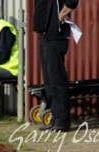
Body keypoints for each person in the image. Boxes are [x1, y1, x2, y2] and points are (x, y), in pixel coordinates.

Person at [33, 0, 79, 132]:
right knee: (49, 82)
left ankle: (62, 121)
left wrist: (60, 16)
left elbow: (73, 1)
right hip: (44, 36)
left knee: (57, 80)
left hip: (55, 37)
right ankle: (55, 119)